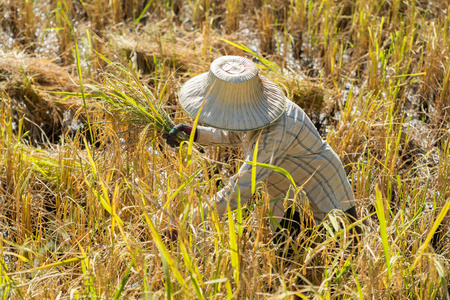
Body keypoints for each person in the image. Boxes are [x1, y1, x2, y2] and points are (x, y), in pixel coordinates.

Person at [163, 55, 359, 249]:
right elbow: (234, 135)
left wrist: (190, 219)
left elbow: (239, 192)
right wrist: (195, 134)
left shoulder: (275, 131)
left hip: (321, 191)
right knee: (287, 257)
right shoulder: (250, 113)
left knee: (341, 255)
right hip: (285, 193)